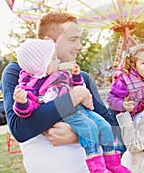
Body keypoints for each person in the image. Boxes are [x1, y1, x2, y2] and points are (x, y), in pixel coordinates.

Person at [1, 11, 117, 173]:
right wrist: (74, 96)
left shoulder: (81, 78)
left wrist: (76, 135)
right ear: (49, 42)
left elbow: (114, 129)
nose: (80, 46)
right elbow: (20, 129)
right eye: (73, 39)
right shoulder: (19, 74)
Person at [12, 39, 130, 173]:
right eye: (54, 59)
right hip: (65, 113)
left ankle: (112, 162)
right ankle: (97, 167)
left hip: (80, 109)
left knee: (105, 126)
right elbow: (27, 111)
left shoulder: (61, 73)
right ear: (41, 65)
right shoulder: (31, 85)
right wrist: (21, 103)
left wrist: (76, 75)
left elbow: (76, 86)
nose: (58, 61)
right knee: (89, 128)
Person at [106, 43, 144, 154]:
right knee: (125, 147)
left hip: (134, 116)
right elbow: (110, 99)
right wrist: (122, 104)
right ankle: (109, 155)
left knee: (135, 143)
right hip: (117, 116)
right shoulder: (125, 79)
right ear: (134, 65)